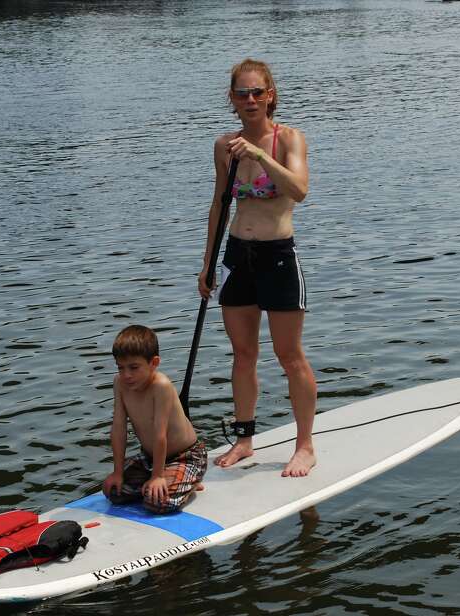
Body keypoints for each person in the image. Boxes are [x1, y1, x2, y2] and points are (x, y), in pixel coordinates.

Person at [198, 58, 317, 478]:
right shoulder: (224, 146)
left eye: (257, 93)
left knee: (289, 356)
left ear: (270, 95)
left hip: (278, 257)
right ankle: (245, 438)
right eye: (241, 94)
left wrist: (260, 156)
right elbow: (219, 204)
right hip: (237, 257)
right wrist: (208, 263)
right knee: (243, 354)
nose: (250, 100)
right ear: (231, 99)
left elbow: (299, 190)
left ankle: (304, 446)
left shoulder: (289, 139)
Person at [103, 325, 207, 513]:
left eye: (134, 367)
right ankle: (168, 479)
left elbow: (160, 434)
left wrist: (157, 476)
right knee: (114, 492)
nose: (126, 375)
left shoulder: (161, 386)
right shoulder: (119, 383)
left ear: (154, 362)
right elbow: (119, 428)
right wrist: (118, 472)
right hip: (150, 457)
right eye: (121, 368)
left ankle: (187, 480)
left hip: (186, 457)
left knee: (157, 502)